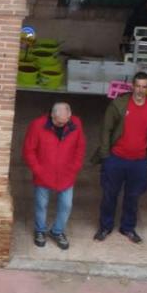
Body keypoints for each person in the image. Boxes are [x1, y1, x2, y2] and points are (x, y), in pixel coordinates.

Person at [92, 71, 147, 243]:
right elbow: (106, 130)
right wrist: (105, 155)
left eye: (144, 87)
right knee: (109, 195)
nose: (140, 90)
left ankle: (128, 228)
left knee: (133, 197)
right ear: (132, 86)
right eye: (138, 86)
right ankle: (105, 226)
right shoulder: (118, 105)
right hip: (116, 158)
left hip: (140, 161)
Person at [22, 101, 86, 250]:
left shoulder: (76, 124)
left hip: (66, 174)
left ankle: (57, 231)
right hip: (43, 175)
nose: (62, 125)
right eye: (58, 122)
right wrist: (38, 170)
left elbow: (80, 147)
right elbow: (28, 150)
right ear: (52, 114)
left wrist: (75, 167)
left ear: (69, 115)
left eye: (65, 122)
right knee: (41, 205)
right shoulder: (37, 125)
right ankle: (40, 230)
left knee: (66, 205)